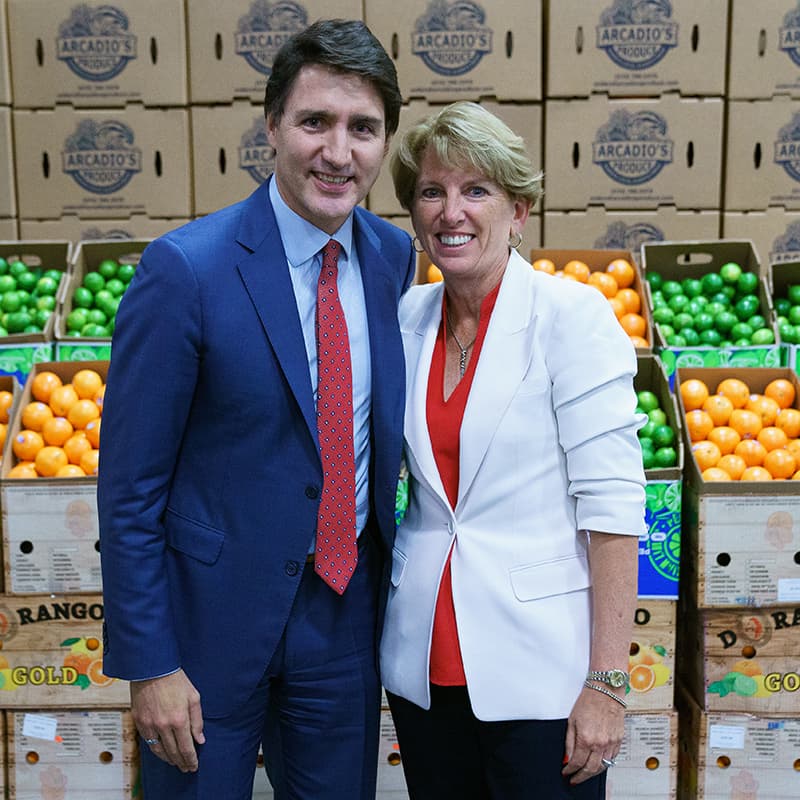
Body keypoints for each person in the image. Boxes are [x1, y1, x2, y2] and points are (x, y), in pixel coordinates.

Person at [97, 18, 415, 800]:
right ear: (271, 126)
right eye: (315, 122)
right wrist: (150, 661)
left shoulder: (394, 259)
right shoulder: (186, 270)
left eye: (363, 128)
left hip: (343, 617)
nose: (338, 152)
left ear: (385, 142)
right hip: (207, 630)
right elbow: (129, 487)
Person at [379, 101, 646, 799]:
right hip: (422, 662)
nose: (451, 212)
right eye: (431, 192)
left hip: (541, 671)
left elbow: (614, 510)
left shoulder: (572, 318)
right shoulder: (405, 320)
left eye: (476, 190)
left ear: (519, 210)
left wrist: (607, 683)